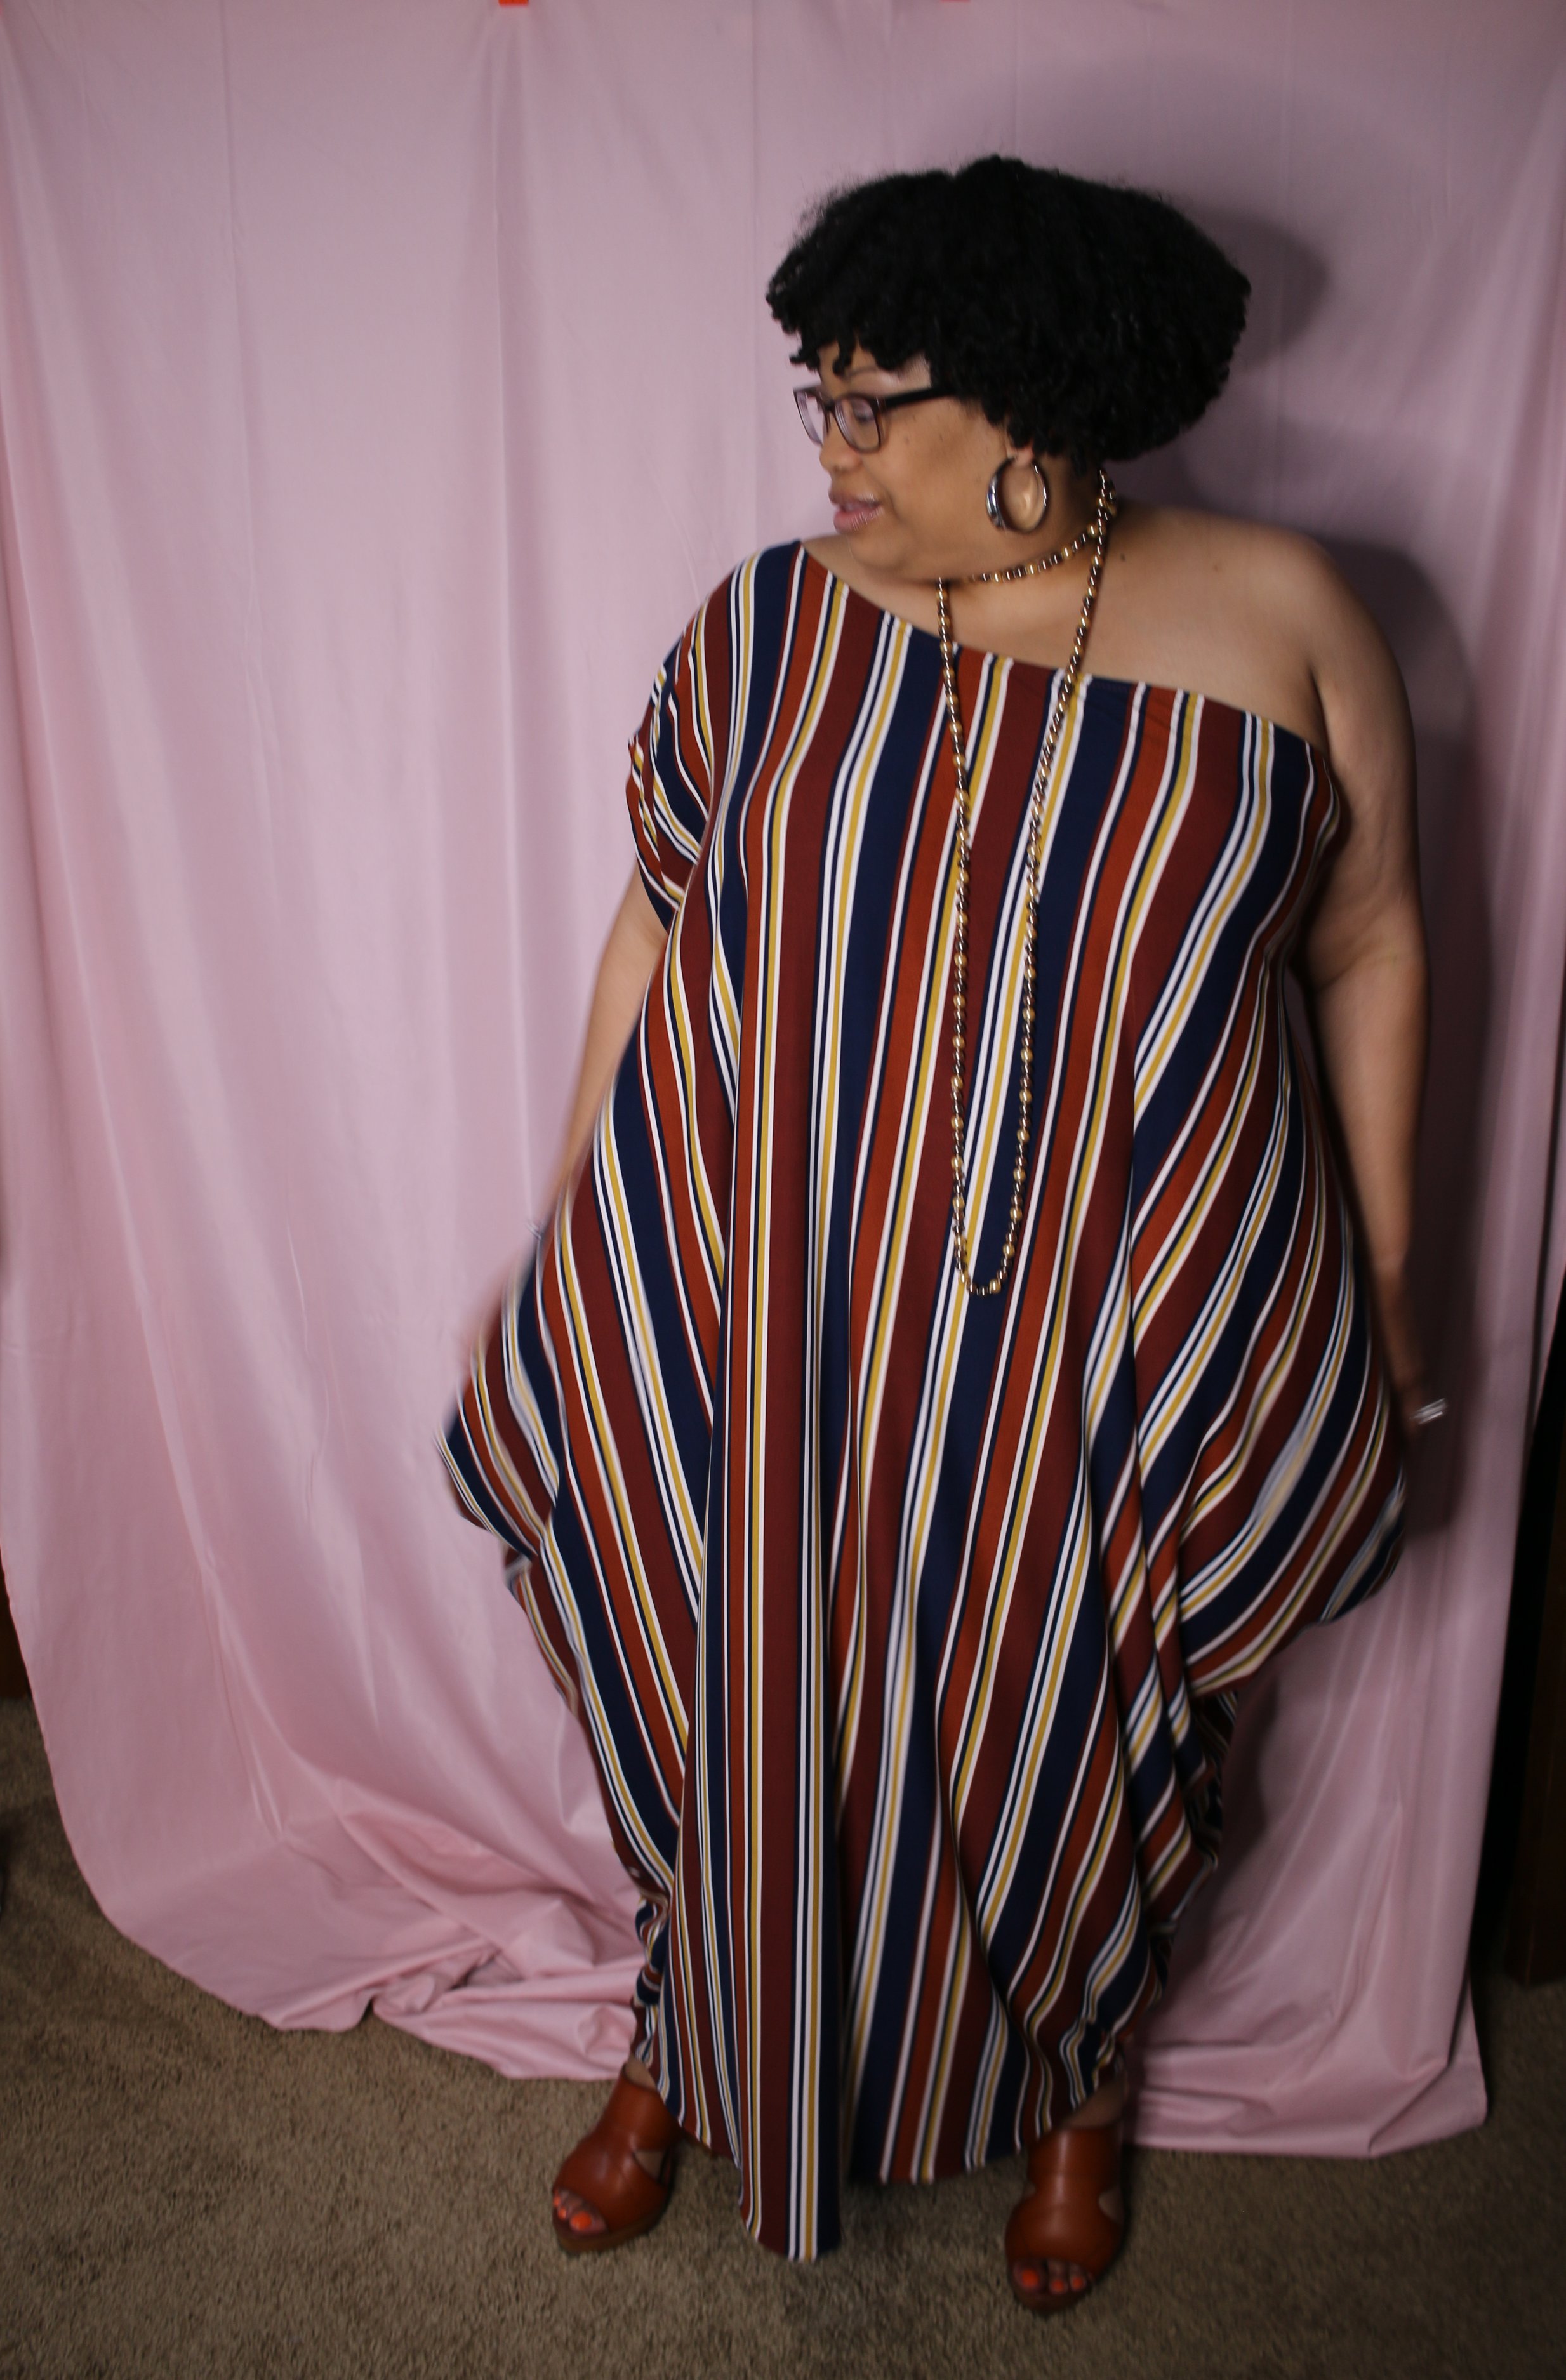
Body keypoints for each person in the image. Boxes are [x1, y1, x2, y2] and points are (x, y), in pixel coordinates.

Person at [442, 156, 1428, 2313]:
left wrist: (1379, 1272)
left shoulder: (1284, 618)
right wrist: (585, 1224)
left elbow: (1364, 944)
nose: (832, 447)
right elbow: (656, 932)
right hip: (782, 1304)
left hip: (1115, 1323)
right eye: (816, 398)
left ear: (1032, 412)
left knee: (1082, 1706)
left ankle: (1079, 2083)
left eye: (871, 403)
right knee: (732, 1678)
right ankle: (681, 2042)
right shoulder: (764, 626)